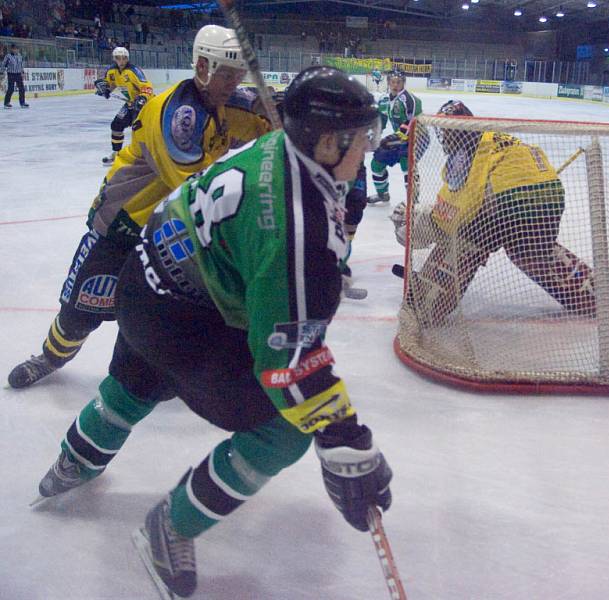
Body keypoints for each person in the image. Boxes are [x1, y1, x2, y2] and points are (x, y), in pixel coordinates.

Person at [35, 66, 392, 599]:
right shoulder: (300, 228)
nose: (367, 149)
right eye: (360, 138)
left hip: (147, 274)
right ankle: (171, 526)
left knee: (138, 382)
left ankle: (75, 460)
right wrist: (344, 443)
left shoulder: (279, 144)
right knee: (284, 430)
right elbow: (288, 360)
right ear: (324, 141)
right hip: (186, 315)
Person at [7, 25, 272, 389]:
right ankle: (51, 356)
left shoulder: (228, 104)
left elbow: (264, 129)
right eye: (226, 74)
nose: (233, 82)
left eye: (238, 75)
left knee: (158, 311)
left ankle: (135, 375)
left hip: (172, 229)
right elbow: (196, 188)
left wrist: (279, 113)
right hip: (125, 222)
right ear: (202, 68)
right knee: (84, 305)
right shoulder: (177, 117)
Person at [391, 100, 596, 325]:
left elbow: (461, 208)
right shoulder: (492, 136)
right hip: (550, 197)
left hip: (510, 202)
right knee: (530, 252)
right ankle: (588, 290)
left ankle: (430, 301)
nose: (445, 136)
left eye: (448, 130)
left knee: (463, 240)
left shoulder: (468, 151)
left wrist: (419, 222)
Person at [366, 70, 422, 205]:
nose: (395, 85)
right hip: (399, 138)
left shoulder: (411, 100)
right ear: (388, 82)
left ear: (404, 83)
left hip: (416, 138)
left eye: (398, 82)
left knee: (407, 166)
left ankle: (413, 201)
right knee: (377, 163)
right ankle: (383, 194)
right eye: (392, 82)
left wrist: (393, 138)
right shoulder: (384, 100)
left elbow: (413, 122)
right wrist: (373, 136)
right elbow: (380, 121)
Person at [94, 46, 154, 165]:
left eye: (123, 58)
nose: (121, 61)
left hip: (145, 104)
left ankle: (148, 155)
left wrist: (142, 99)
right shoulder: (112, 71)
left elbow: (147, 87)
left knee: (139, 130)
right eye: (118, 58)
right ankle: (117, 153)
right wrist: (106, 90)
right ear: (114, 58)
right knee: (116, 125)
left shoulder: (134, 71)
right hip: (130, 104)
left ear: (127, 58)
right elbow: (110, 84)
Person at [1, 43, 29, 108]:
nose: (16, 50)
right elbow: (3, 64)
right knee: (11, 89)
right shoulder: (8, 56)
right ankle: (6, 103)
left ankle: (22, 103)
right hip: (11, 74)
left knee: (22, 89)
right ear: (12, 49)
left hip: (18, 74)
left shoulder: (19, 56)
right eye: (15, 49)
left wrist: (22, 72)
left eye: (17, 49)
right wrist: (1, 73)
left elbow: (21, 65)